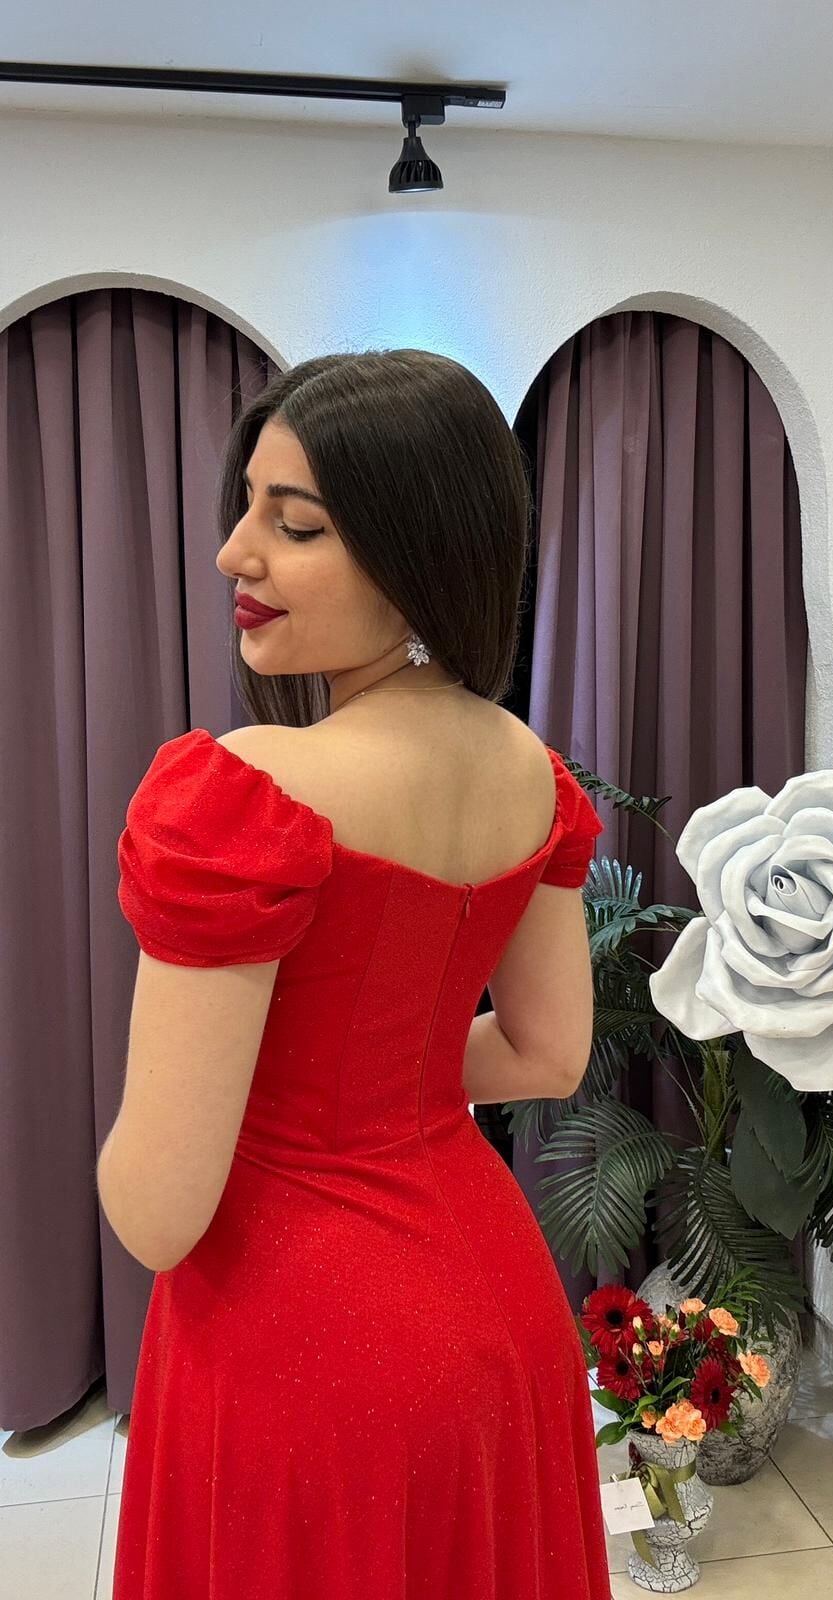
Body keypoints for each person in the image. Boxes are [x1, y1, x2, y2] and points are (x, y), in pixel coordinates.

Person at [106, 348, 612, 1598]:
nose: (233, 553)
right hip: (493, 1317)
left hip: (298, 1347)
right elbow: (547, 1052)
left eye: (296, 526)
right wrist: (376, 1083)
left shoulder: (242, 797)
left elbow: (157, 1208)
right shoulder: (530, 770)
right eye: (247, 510)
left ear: (416, 551)